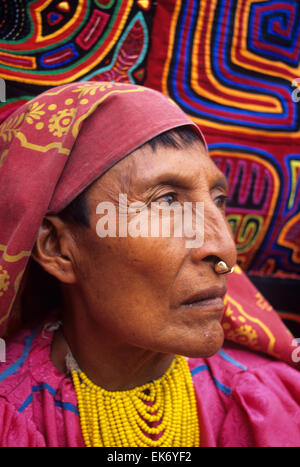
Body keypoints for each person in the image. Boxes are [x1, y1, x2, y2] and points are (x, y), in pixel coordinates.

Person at [0, 82, 299, 447]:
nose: (224, 251)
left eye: (218, 200)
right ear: (58, 247)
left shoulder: (268, 404)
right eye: (167, 202)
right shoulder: (13, 417)